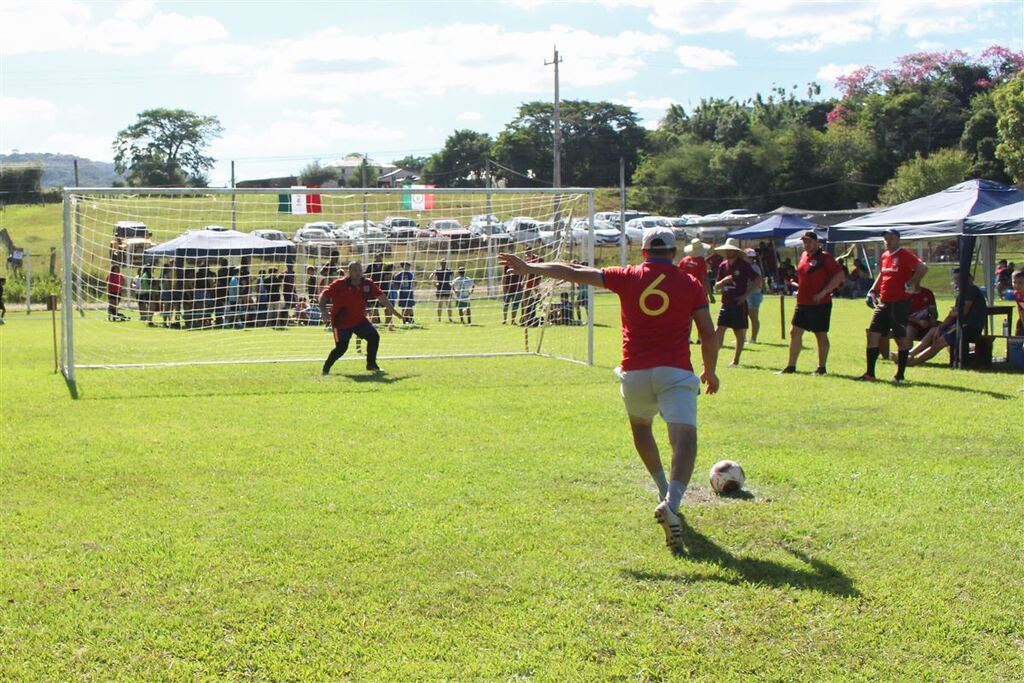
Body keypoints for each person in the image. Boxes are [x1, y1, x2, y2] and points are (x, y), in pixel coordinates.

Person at [499, 228, 719, 553]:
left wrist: (530, 268)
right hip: (675, 370)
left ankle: (662, 491)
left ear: (643, 253)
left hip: (635, 371)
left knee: (642, 429)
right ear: (674, 253)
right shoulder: (690, 283)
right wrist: (710, 370)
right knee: (684, 437)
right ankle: (672, 501)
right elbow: (707, 332)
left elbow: (572, 272)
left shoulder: (627, 275)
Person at [860, 229, 928, 383]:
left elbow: (922, 268)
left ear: (898, 239)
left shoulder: (904, 254)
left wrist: (910, 282)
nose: (887, 241)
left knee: (900, 338)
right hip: (884, 302)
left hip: (899, 303)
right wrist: (873, 290)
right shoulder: (885, 256)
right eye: (885, 238)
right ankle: (870, 374)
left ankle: (900, 375)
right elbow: (883, 274)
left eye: (890, 238)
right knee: (873, 335)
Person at [319, 261, 404, 375]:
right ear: (349, 272)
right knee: (341, 348)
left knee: (374, 337)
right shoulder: (339, 284)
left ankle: (371, 365)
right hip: (341, 322)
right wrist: (324, 311)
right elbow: (323, 296)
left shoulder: (367, 283)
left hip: (359, 320)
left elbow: (381, 297)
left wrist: (394, 311)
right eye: (355, 270)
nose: (358, 273)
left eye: (360, 270)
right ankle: (326, 368)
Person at [778, 231, 845, 375]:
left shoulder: (825, 257)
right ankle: (791, 366)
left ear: (817, 242)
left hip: (820, 303)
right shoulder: (803, 256)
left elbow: (839, 276)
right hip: (802, 302)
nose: (806, 244)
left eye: (809, 241)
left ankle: (821, 368)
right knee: (794, 332)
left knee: (820, 334)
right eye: (804, 242)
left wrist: (823, 293)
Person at [906, 269, 986, 366]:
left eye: (960, 278)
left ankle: (914, 362)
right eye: (955, 279)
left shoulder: (971, 289)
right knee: (933, 331)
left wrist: (954, 313)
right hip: (958, 325)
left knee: (938, 343)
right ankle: (909, 354)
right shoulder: (961, 293)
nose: (957, 281)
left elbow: (962, 312)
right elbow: (952, 315)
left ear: (969, 278)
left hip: (969, 327)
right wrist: (940, 327)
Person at [712, 238, 761, 367]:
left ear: (736, 251)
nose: (729, 252)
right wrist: (723, 282)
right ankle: (712, 357)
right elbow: (716, 286)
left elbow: (757, 280)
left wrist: (746, 295)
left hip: (738, 303)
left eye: (731, 250)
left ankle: (736, 360)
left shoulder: (743, 265)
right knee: (719, 330)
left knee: (739, 332)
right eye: (727, 249)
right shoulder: (723, 265)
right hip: (725, 303)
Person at [678, 239, 713, 303]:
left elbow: (678, 275)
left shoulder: (684, 260)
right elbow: (704, 278)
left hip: (685, 291)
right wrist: (710, 295)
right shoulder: (701, 261)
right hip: (698, 291)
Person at [743, 248, 764, 343]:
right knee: (743, 316)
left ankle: (753, 338)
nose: (749, 259)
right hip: (746, 294)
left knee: (753, 317)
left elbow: (756, 282)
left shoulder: (755, 268)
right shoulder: (745, 267)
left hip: (754, 294)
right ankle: (742, 338)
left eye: (751, 257)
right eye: (748, 257)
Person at [1012, 270, 1024, 336]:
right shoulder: (1017, 294)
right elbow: (1021, 310)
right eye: (1014, 282)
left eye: (1020, 283)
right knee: (1019, 327)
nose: (1017, 285)